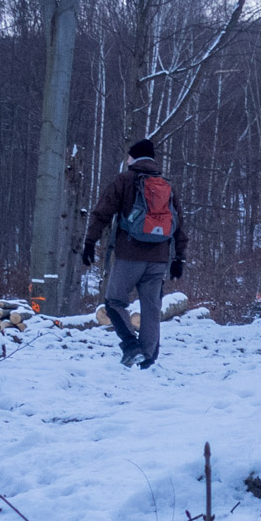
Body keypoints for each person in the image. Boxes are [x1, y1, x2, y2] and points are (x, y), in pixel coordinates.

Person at [82, 138, 187, 368]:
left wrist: (90, 241)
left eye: (129, 156)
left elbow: (102, 213)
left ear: (134, 157)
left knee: (113, 302)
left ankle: (131, 346)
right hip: (159, 259)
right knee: (151, 308)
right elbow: (179, 223)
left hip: (130, 255)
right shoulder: (165, 185)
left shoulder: (124, 180)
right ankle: (148, 357)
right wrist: (179, 257)